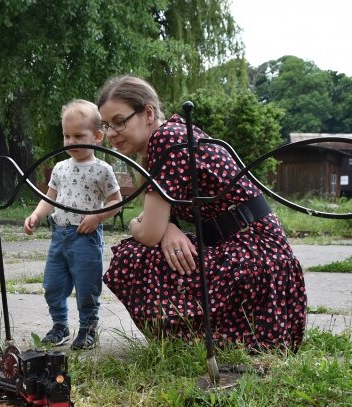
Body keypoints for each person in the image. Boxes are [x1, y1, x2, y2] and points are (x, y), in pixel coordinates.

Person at [97, 75, 306, 352]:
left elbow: (147, 233)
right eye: (106, 125)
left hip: (255, 257)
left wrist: (139, 225)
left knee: (132, 256)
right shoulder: (172, 133)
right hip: (258, 254)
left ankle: (188, 343)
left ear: (148, 112)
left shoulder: (167, 140)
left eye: (119, 121)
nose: (111, 133)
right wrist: (167, 228)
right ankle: (196, 342)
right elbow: (161, 217)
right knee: (160, 252)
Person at [24, 100, 122, 349]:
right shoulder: (60, 167)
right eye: (67, 136)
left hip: (85, 237)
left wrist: (97, 217)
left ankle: (88, 329)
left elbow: (116, 202)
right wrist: (36, 215)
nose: (71, 141)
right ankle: (60, 326)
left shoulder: (103, 169)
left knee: (87, 287)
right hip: (59, 236)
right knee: (53, 285)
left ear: (98, 136)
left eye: (78, 135)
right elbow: (50, 198)